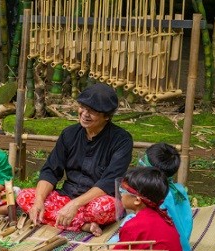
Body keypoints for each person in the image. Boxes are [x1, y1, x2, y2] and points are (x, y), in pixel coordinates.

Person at [16, 83, 133, 236]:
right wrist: (39, 201)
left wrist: (75, 204)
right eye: (83, 107)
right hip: (66, 197)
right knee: (25, 197)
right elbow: (51, 170)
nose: (84, 113)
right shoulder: (69, 134)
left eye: (92, 111)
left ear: (107, 116)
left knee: (106, 207)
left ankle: (66, 219)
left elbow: (109, 181)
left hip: (95, 201)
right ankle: (84, 225)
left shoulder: (121, 140)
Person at [71, 167, 186, 251]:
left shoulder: (135, 224)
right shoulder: (163, 216)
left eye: (123, 190)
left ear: (137, 200)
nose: (121, 194)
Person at [137, 143, 193, 251]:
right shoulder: (178, 189)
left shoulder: (156, 196)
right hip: (181, 242)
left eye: (143, 161)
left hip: (164, 248)